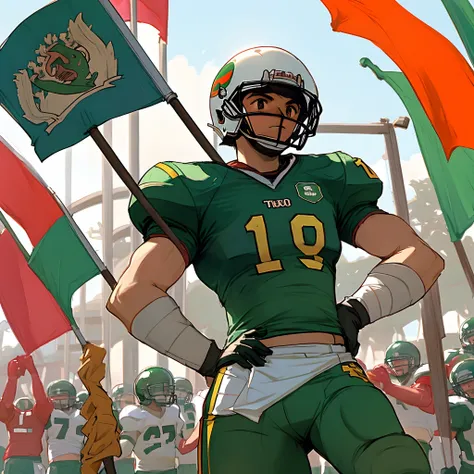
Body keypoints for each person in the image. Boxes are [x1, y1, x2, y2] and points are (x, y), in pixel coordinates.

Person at [107, 46, 444, 474]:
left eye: (291, 106)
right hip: (246, 388)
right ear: (229, 108)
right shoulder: (196, 189)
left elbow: (422, 257)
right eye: (263, 102)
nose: (281, 116)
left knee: (394, 463)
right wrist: (208, 358)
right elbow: (131, 294)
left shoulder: (326, 178)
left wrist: (359, 310)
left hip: (330, 368)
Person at [367, 342, 437, 458]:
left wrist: (389, 387)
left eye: (401, 361)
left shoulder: (422, 373)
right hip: (390, 433)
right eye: (393, 362)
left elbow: (423, 398)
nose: (397, 365)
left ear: (413, 360)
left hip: (420, 431)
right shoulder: (386, 377)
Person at [118, 367, 191, 474]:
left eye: (168, 389)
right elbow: (123, 451)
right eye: (162, 390)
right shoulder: (136, 416)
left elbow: (181, 445)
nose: (167, 393)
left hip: (170, 470)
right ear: (145, 391)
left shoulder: (172, 412)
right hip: (146, 471)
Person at [0, 355, 53, 474]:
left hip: (13, 461)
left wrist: (12, 379)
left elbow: (6, 403)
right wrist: (33, 373)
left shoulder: (11, 416)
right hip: (31, 460)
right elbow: (41, 399)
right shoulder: (38, 415)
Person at [439, 359, 474, 474]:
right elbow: (443, 443)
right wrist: (445, 465)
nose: (470, 385)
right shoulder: (461, 407)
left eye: (472, 380)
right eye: (464, 383)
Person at [44, 380, 85, 474]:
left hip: (59, 465)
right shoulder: (83, 415)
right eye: (56, 397)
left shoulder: (49, 415)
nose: (59, 400)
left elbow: (42, 445)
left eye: (63, 397)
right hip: (74, 464)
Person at [174, 378, 196, 474]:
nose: (179, 394)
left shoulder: (189, 409)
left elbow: (187, 435)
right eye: (177, 390)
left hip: (182, 450)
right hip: (184, 453)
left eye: (182, 391)